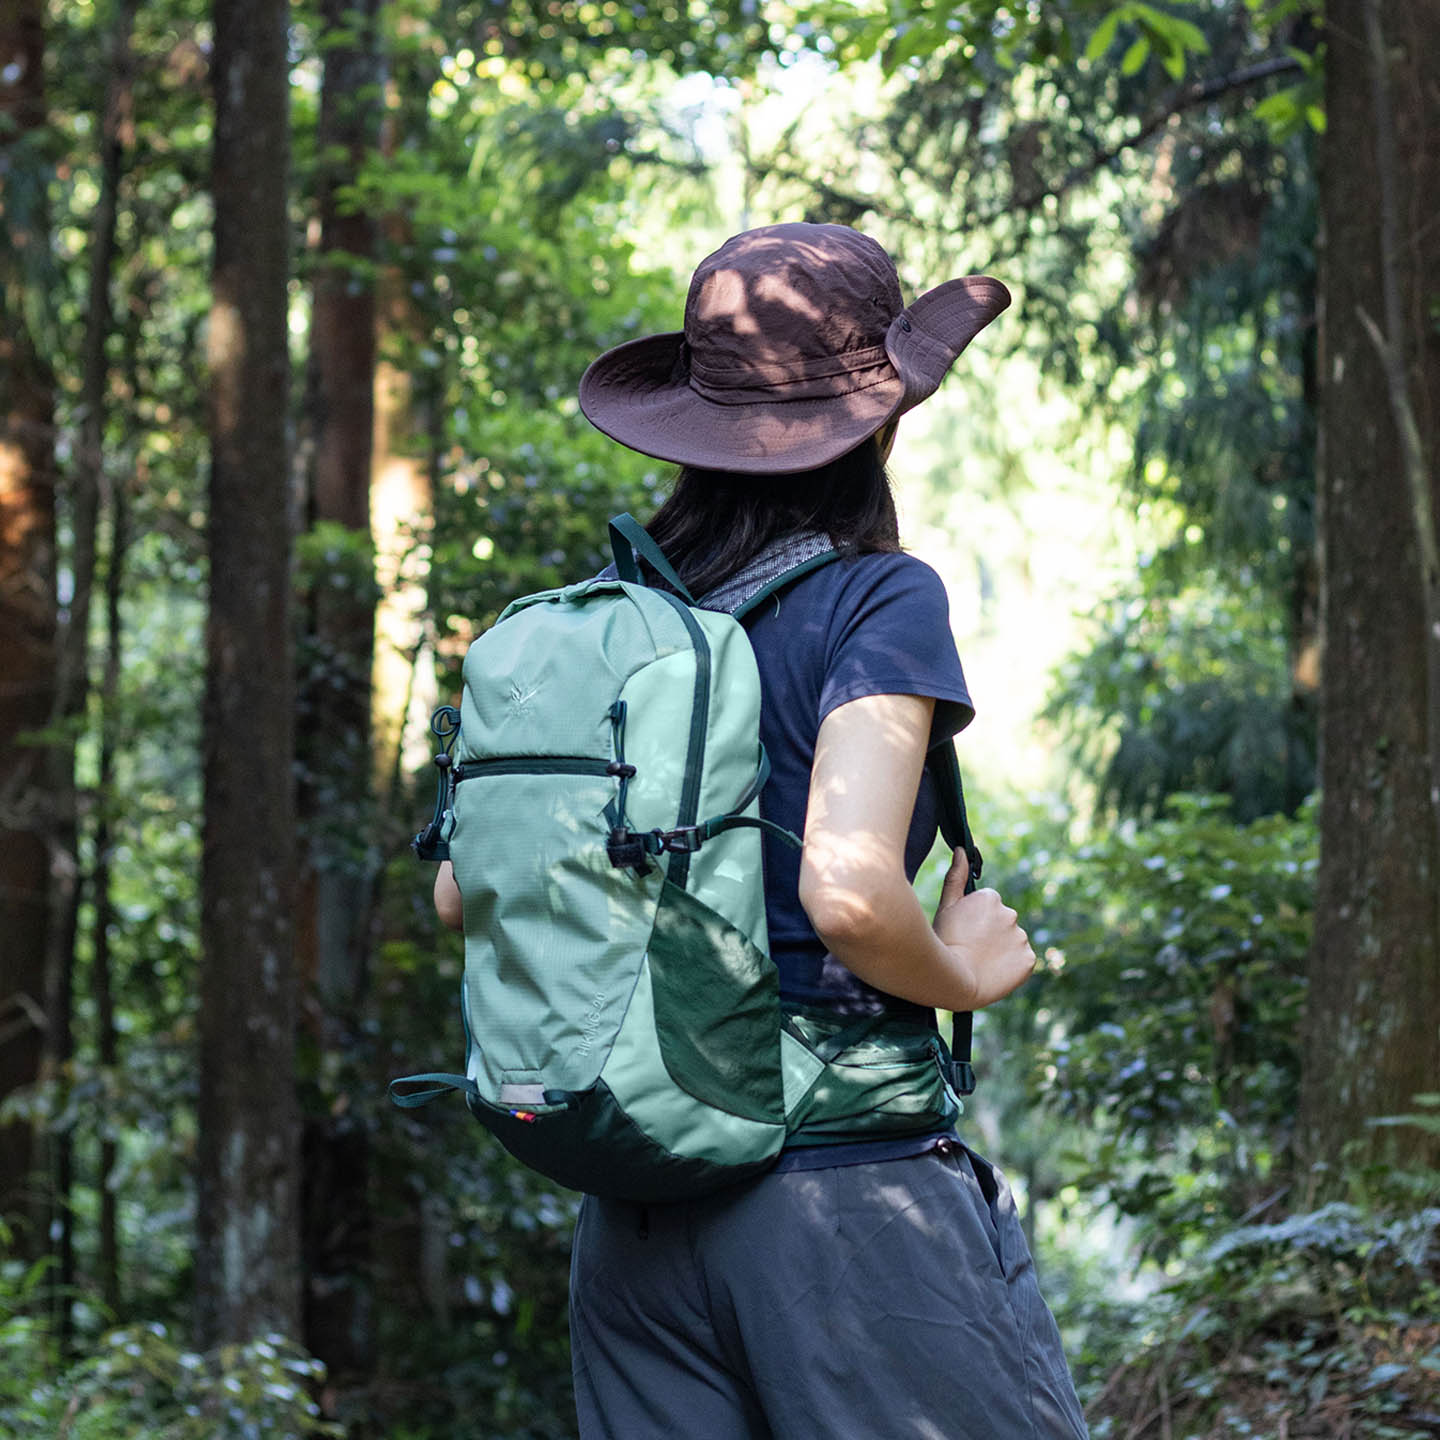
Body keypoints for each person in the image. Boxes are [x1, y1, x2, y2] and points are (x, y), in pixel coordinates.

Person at [437, 222, 1087, 1439]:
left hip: (634, 1212)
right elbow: (848, 892)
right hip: (841, 1202)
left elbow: (465, 896)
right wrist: (965, 970)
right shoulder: (880, 596)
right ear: (884, 420)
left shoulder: (616, 621)